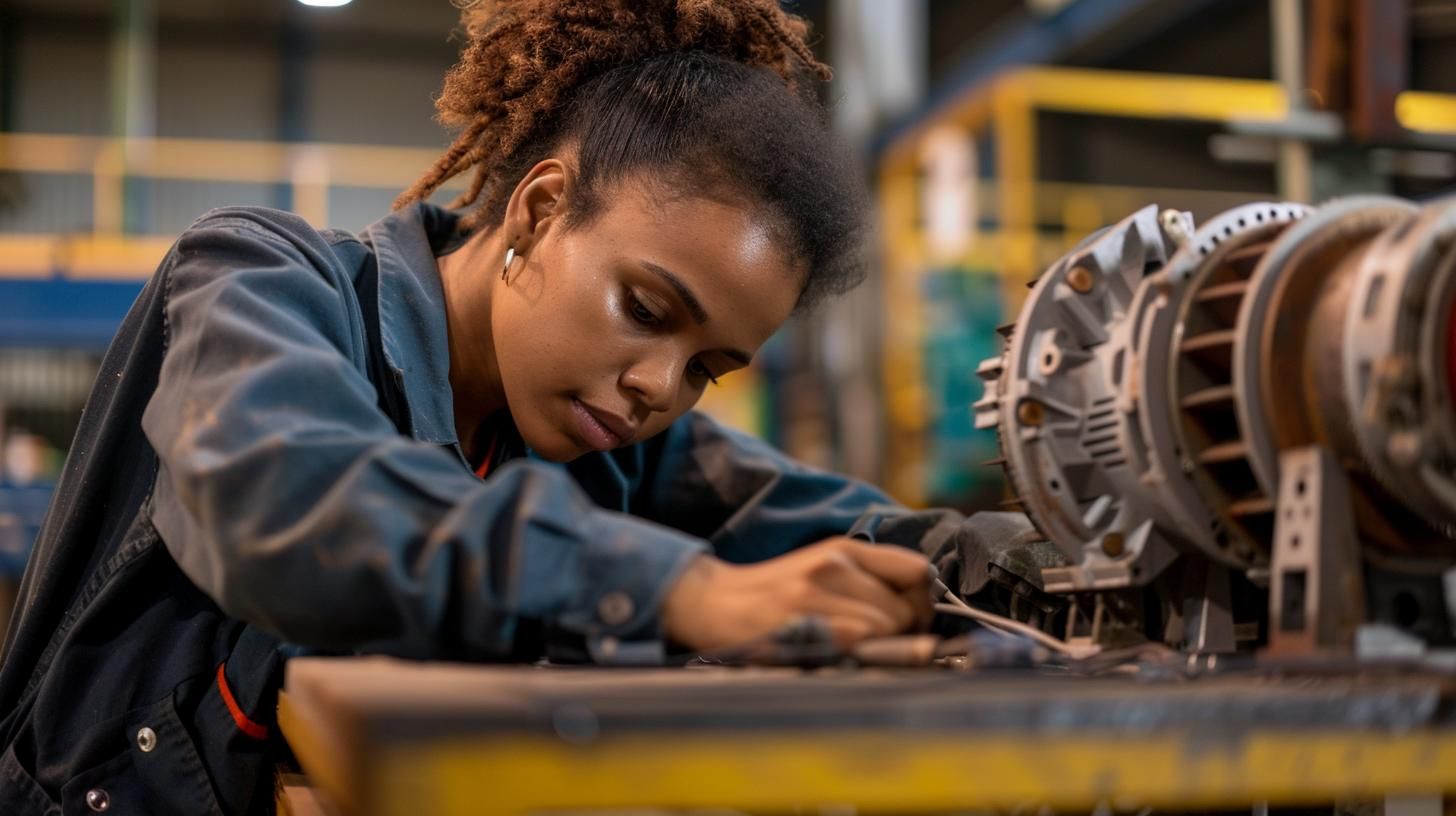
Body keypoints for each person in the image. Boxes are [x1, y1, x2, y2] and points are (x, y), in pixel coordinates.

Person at [0, 1, 1036, 813]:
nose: (655, 390)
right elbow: (287, 499)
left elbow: (852, 534)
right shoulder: (263, 280)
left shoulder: (597, 440)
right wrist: (677, 591)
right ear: (539, 211)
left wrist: (1046, 561)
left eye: (705, 368)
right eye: (646, 309)